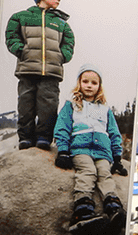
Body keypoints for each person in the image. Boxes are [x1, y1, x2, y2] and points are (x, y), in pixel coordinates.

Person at [4, 0, 73, 150]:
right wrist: (20, 50)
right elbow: (11, 36)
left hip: (51, 72)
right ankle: (25, 137)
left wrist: (61, 56)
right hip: (27, 69)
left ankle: (44, 137)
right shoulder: (20, 17)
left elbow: (69, 43)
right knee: (25, 104)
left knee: (48, 105)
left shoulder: (61, 23)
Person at [52, 66, 126, 225]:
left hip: (103, 152)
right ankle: (82, 209)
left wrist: (117, 157)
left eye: (94, 83)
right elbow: (62, 127)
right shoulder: (71, 105)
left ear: (99, 86)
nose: (89, 85)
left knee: (104, 173)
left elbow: (113, 132)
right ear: (79, 83)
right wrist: (63, 151)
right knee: (88, 171)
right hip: (81, 149)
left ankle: (113, 207)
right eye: (85, 81)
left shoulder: (105, 109)